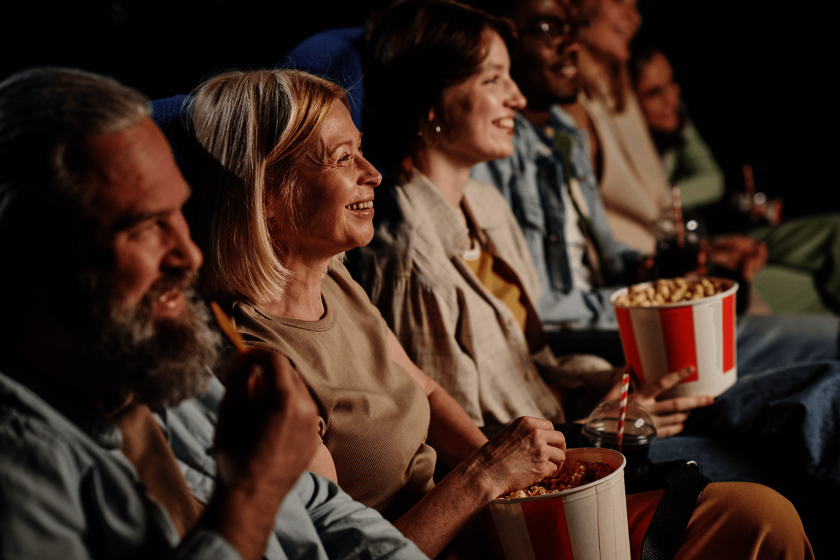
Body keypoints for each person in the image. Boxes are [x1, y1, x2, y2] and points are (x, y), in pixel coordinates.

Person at [0, 67, 428, 560]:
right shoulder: (22, 467)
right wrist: (250, 493)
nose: (189, 256)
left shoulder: (168, 376)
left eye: (178, 215)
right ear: (33, 257)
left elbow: (321, 507)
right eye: (145, 227)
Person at [184, 66, 572, 559]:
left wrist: (516, 484)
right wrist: (486, 474)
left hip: (481, 530)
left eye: (361, 150)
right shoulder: (260, 369)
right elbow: (341, 553)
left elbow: (425, 390)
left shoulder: (337, 281)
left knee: (699, 506)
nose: (374, 173)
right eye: (344, 159)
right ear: (268, 197)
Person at [630, 42, 840, 313]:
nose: (671, 97)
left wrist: (663, 199)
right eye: (654, 92)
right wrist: (663, 202)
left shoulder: (676, 122)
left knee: (836, 229)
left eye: (671, 83)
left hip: (718, 235)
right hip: (689, 250)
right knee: (808, 285)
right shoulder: (627, 153)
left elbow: (711, 179)